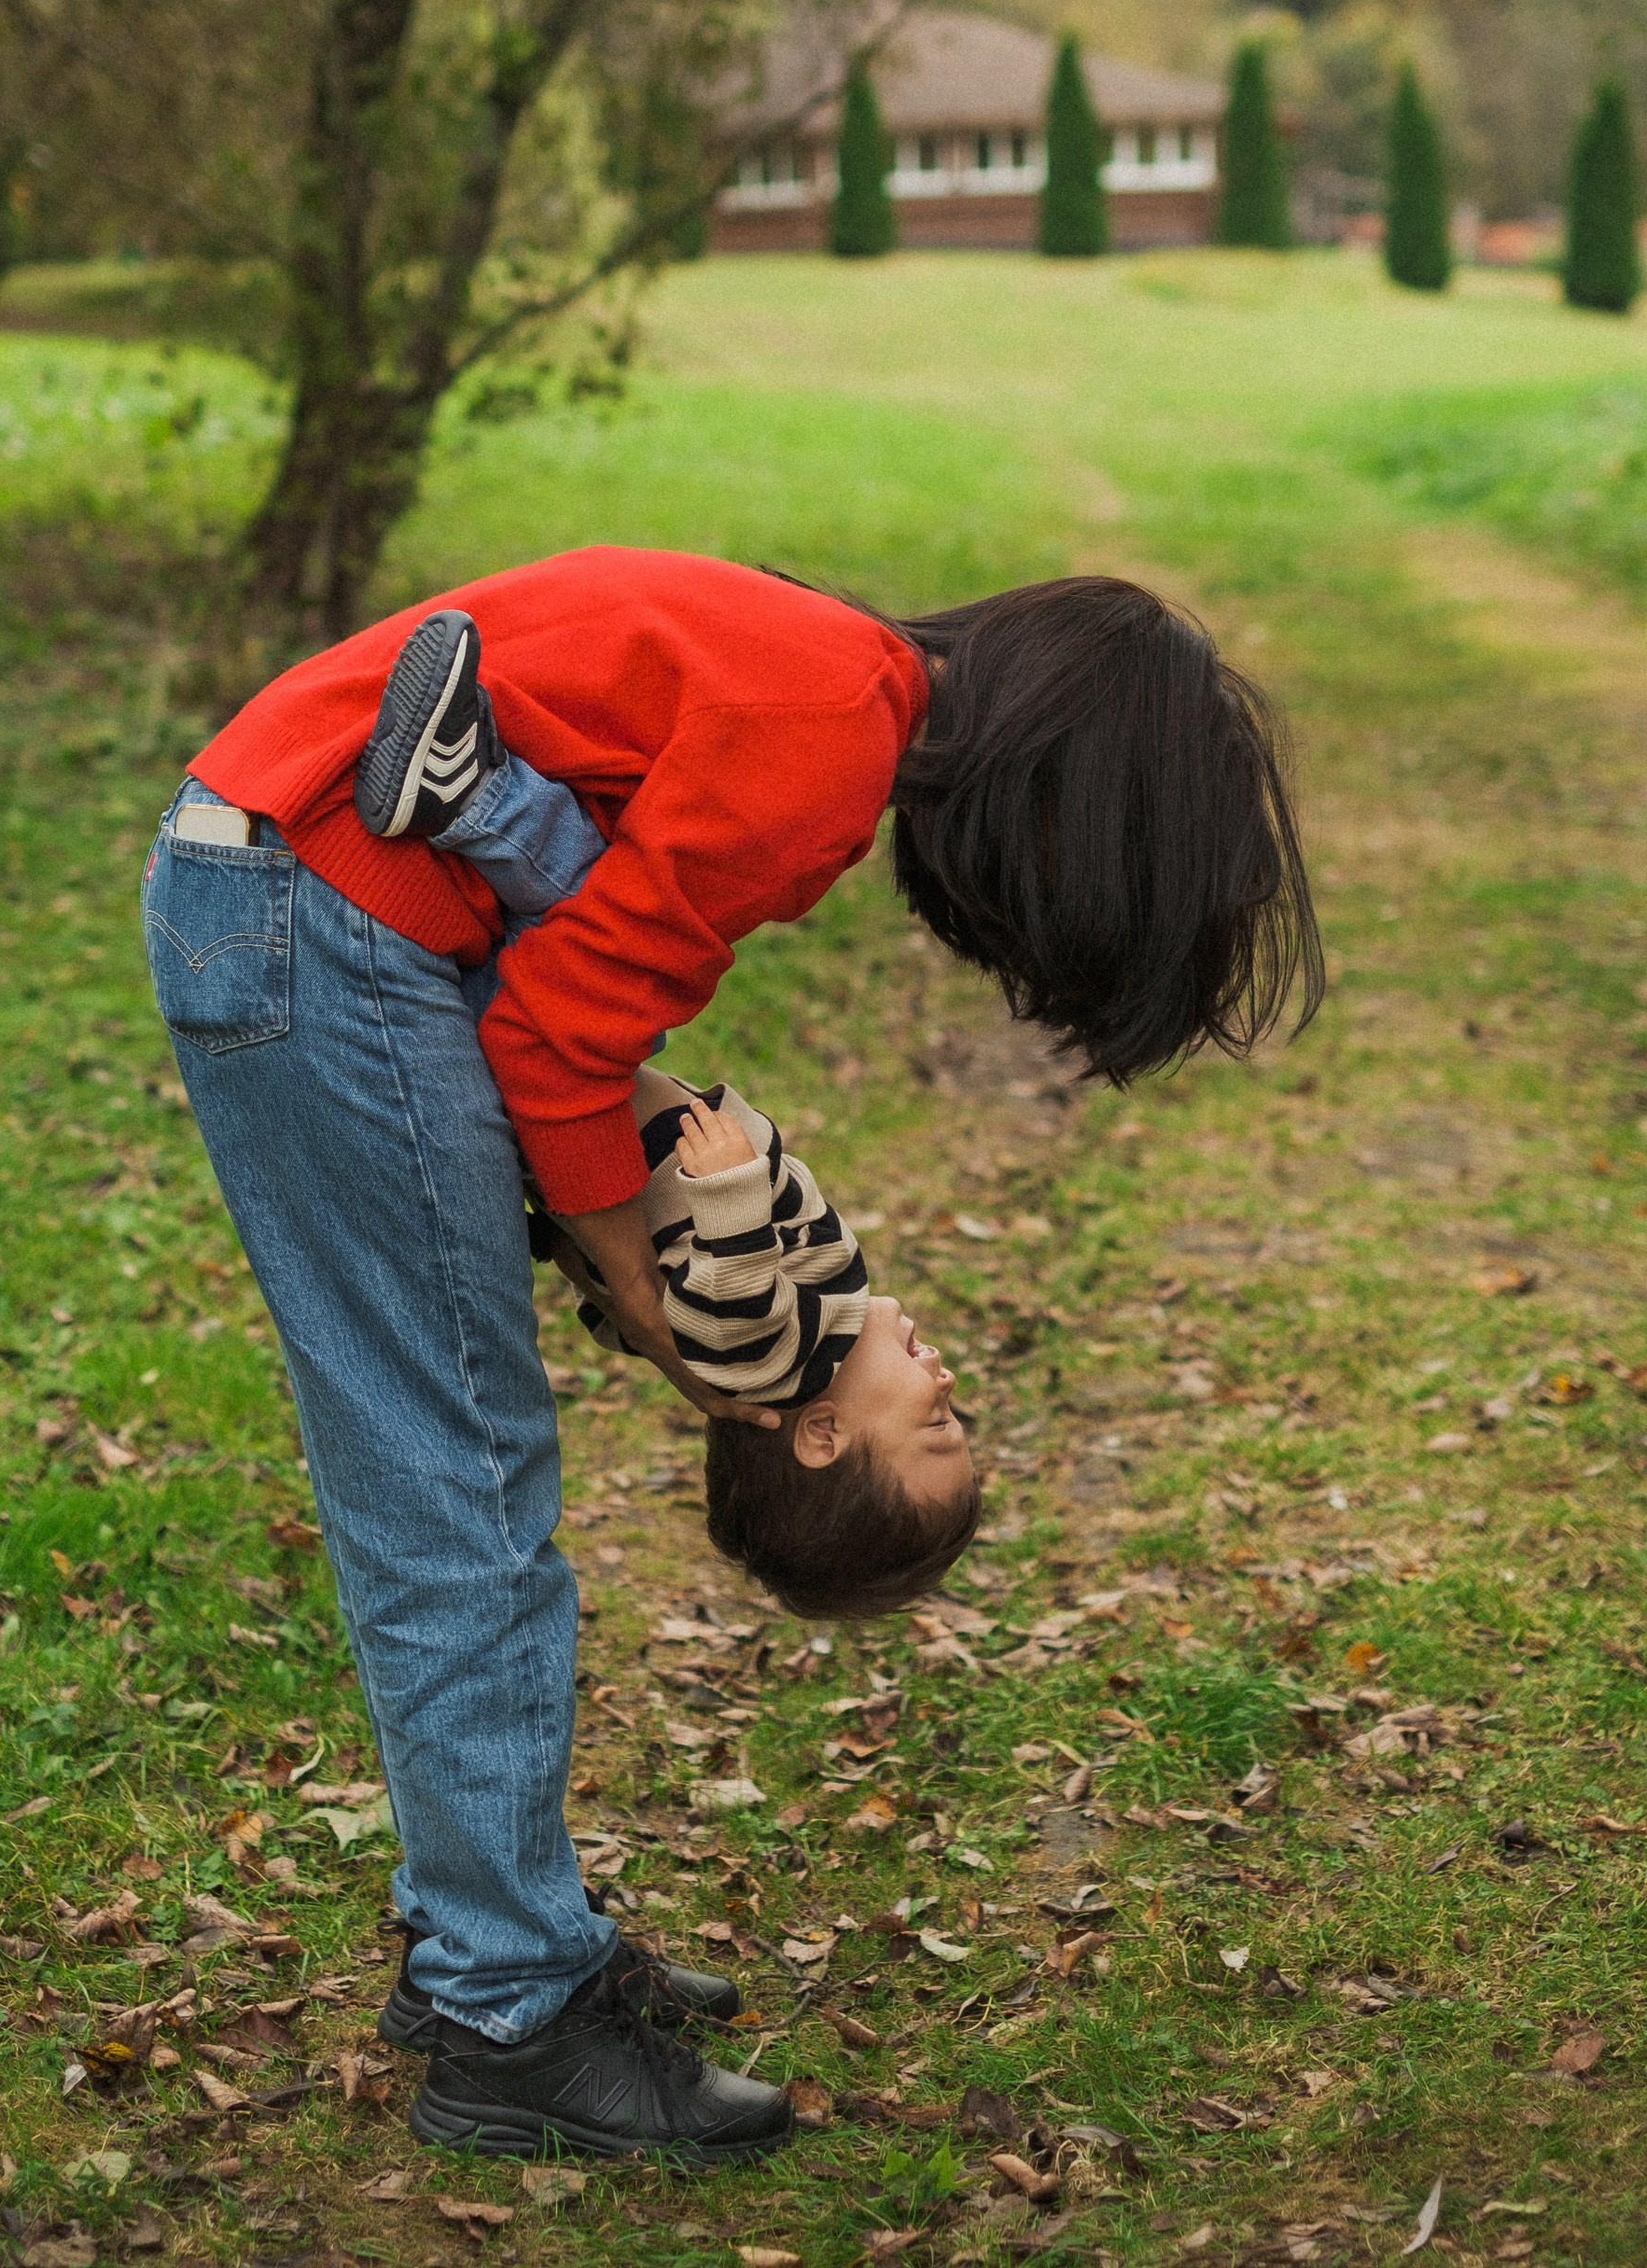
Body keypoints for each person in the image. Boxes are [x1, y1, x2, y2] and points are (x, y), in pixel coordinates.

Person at [141, 547, 1319, 2164]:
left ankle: (478, 1938)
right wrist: (635, 1276)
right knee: (460, 1486)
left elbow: (591, 993)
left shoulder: (835, 679)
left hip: (300, 882)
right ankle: (509, 2023)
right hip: (323, 917)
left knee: (451, 1475)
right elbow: (557, 1037)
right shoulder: (829, 736)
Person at [353, 610, 979, 1616]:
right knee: (558, 944)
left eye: (935, 1427)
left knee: (585, 909)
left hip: (600, 1121)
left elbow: (725, 1298)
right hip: (577, 1120)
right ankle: (477, 790)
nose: (950, 1389)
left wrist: (728, 1189)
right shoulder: (796, 1345)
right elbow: (636, 1310)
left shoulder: (773, 1360)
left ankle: (475, 789)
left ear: (820, 1436)